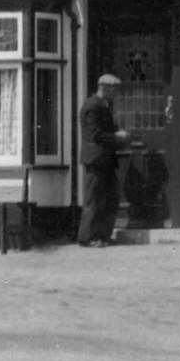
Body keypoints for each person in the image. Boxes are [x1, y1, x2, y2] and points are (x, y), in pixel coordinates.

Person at [77, 73, 128, 247]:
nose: (115, 93)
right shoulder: (92, 106)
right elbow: (95, 135)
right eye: (113, 89)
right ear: (104, 87)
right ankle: (87, 238)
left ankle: (102, 236)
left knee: (111, 197)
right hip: (96, 159)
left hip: (105, 159)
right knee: (94, 199)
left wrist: (117, 137)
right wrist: (116, 136)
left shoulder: (104, 105)